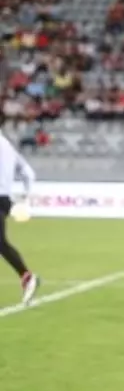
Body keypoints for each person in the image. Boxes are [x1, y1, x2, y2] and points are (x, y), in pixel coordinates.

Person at [0, 130, 38, 305]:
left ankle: (27, 276)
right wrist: (25, 197)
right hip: (5, 199)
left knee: (1, 243)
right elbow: (28, 173)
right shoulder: (9, 147)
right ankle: (26, 276)